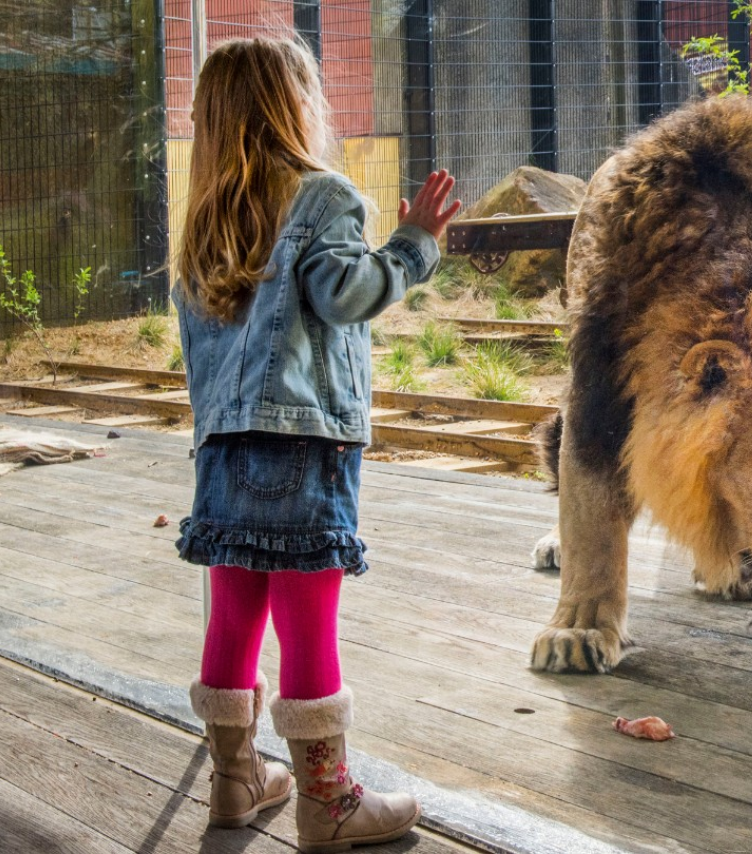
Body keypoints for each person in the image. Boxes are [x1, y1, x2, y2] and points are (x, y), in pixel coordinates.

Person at [173, 36, 460, 852]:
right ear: (290, 106)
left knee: (233, 615)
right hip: (302, 451)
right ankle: (327, 803)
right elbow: (344, 295)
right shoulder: (322, 196)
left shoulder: (202, 223)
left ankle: (234, 782)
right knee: (308, 621)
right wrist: (413, 244)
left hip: (223, 452)